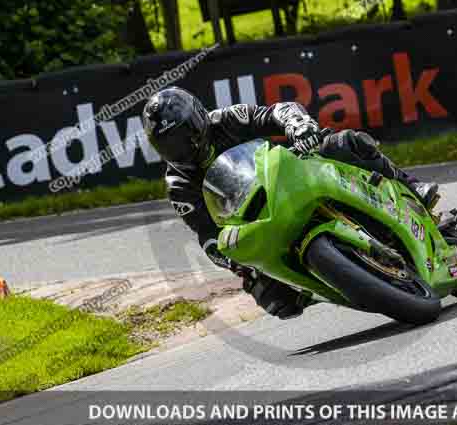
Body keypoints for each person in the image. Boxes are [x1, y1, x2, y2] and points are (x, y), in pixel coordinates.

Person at [142, 86, 439, 319]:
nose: (183, 147)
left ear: (198, 117)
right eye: (170, 144)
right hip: (253, 219)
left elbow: (279, 111)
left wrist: (299, 127)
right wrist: (233, 260)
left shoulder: (227, 119)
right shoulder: (178, 185)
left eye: (184, 135)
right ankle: (330, 281)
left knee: (343, 143)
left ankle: (410, 185)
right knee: (274, 299)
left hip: (286, 175)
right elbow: (206, 235)